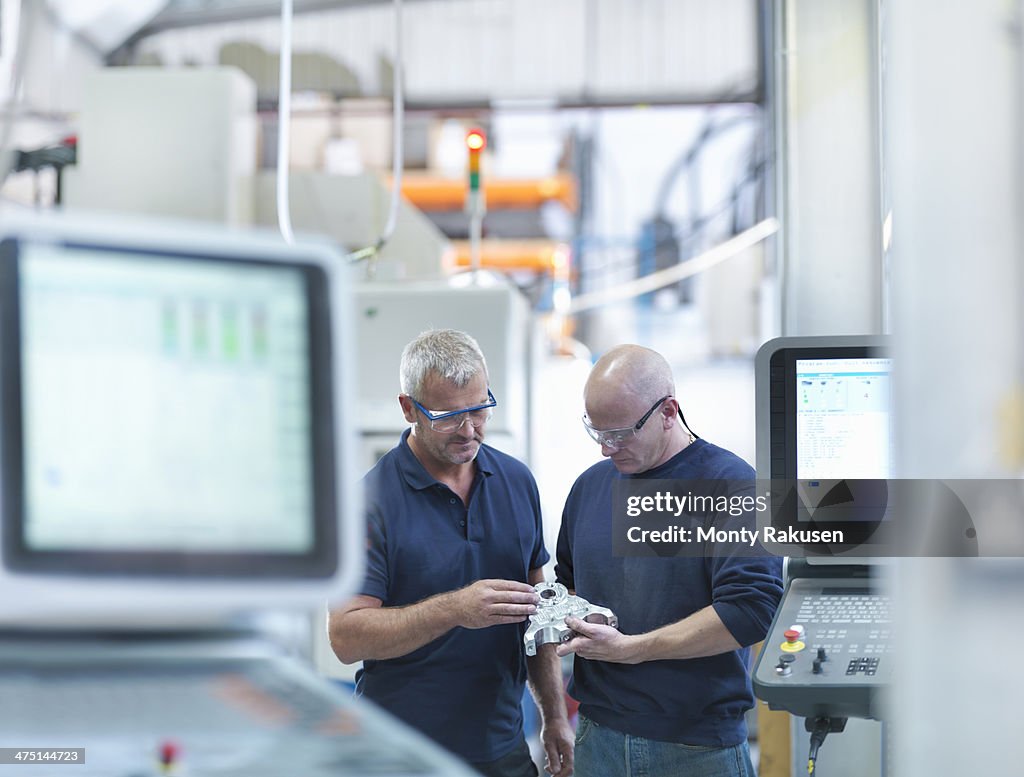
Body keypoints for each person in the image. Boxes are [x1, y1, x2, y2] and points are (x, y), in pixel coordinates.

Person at [329, 329, 573, 777]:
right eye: (447, 415)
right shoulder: (367, 502)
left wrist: (555, 716)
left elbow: (537, 614)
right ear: (408, 408)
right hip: (399, 755)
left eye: (479, 409)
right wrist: (455, 609)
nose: (468, 430)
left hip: (501, 747)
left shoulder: (517, 482)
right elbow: (346, 638)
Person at [554, 344, 784, 777]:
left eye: (620, 434)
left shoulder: (732, 486)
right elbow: (569, 583)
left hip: (696, 749)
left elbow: (750, 611)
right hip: (598, 738)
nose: (606, 449)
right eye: (596, 432)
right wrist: (573, 615)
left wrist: (631, 649)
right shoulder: (589, 489)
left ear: (668, 411)